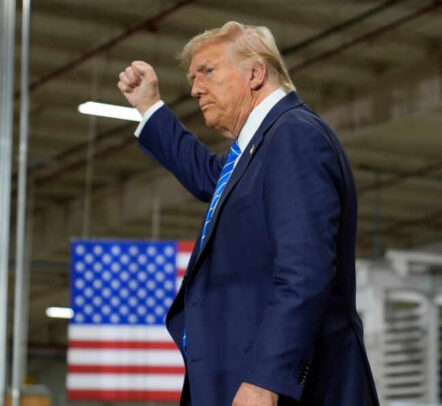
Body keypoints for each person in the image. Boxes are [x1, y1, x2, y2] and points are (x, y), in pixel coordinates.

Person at [117, 21, 379, 406]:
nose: (195, 88)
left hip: (287, 390)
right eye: (192, 77)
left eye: (207, 71)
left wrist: (266, 379)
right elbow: (211, 177)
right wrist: (149, 106)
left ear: (256, 73)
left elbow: (304, 269)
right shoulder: (260, 146)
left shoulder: (294, 135)